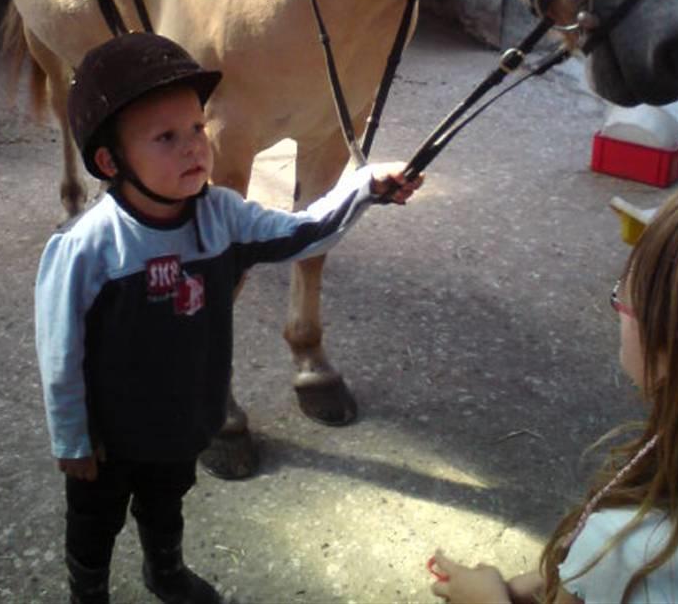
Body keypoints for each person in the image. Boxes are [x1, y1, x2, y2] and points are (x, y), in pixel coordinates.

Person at [35, 32, 423, 604]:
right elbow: (60, 354)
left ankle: (163, 571)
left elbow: (303, 231)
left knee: (167, 502)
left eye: (197, 129)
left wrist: (366, 188)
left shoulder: (222, 216)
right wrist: (71, 438)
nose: (195, 147)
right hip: (108, 437)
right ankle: (86, 589)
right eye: (167, 137)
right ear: (108, 160)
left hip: (185, 418)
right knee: (95, 519)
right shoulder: (87, 247)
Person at [428, 183, 678, 604]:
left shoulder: (627, 551)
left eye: (622, 297)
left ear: (671, 343)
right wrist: (556, 583)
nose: (617, 303)